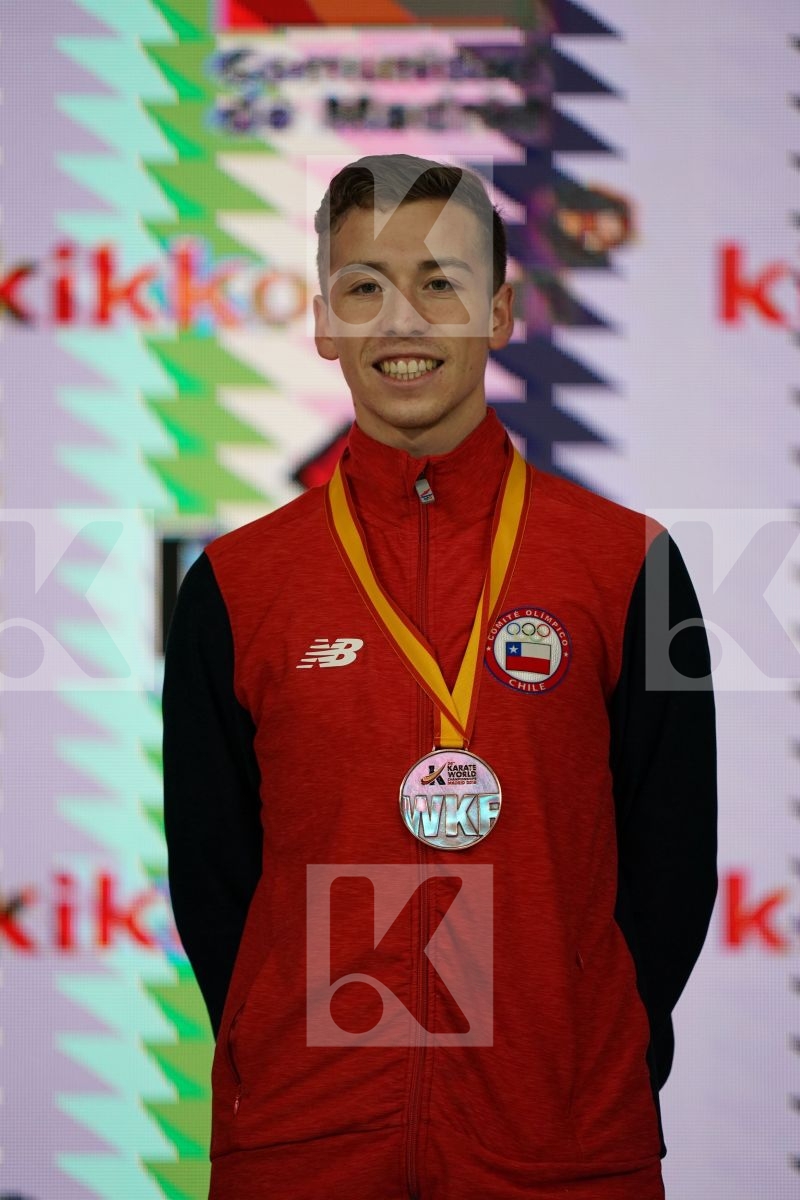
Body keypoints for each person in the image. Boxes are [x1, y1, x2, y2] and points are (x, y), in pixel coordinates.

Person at [162, 154, 717, 1200]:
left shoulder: (628, 564)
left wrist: (582, 1056)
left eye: (440, 283)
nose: (399, 320)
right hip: (303, 1148)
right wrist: (288, 1063)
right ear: (323, 322)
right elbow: (216, 880)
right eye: (363, 287)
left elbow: (671, 859)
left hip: (561, 1150)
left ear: (499, 312)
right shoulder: (236, 585)